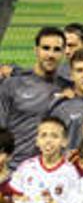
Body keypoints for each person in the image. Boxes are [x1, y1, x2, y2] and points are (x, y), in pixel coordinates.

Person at [0, 27, 66, 168]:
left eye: (57, 49)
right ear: (36, 50)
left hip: (51, 171)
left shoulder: (68, 88)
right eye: (46, 48)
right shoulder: (13, 84)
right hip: (13, 168)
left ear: (64, 53)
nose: (51, 54)